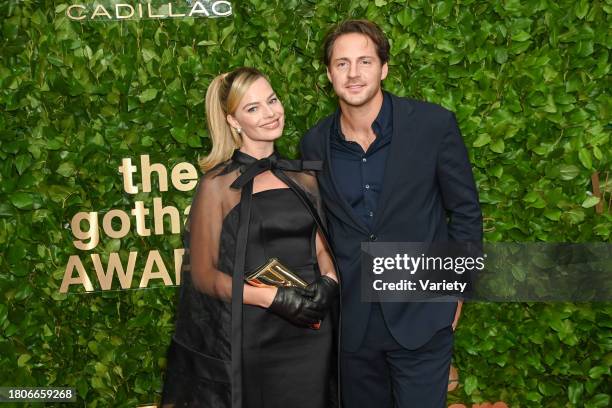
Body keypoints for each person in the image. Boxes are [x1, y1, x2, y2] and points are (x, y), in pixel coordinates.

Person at [300, 20, 483, 408]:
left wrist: (455, 289)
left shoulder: (433, 126)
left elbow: (465, 210)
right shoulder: (314, 143)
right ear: (329, 73)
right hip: (353, 326)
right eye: (342, 63)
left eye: (364, 61)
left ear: (383, 68)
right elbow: (319, 226)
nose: (353, 74)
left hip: (422, 317)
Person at [161, 67, 339, 408]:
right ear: (234, 122)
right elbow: (203, 275)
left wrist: (329, 281)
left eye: (272, 100)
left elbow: (319, 242)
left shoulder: (303, 176)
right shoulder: (217, 186)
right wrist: (273, 299)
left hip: (312, 328)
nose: (271, 113)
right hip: (254, 332)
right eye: (253, 108)